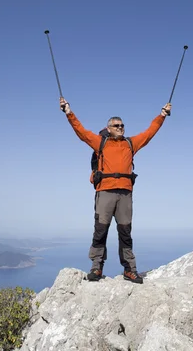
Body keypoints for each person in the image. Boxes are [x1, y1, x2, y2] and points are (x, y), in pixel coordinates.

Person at [59, 97, 171, 284]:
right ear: (108, 128)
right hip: (105, 192)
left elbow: (150, 132)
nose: (120, 127)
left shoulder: (130, 144)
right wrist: (68, 112)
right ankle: (96, 267)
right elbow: (81, 132)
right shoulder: (100, 143)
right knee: (100, 230)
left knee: (125, 232)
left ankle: (130, 269)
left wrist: (162, 115)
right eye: (116, 125)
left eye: (122, 125)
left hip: (125, 193)